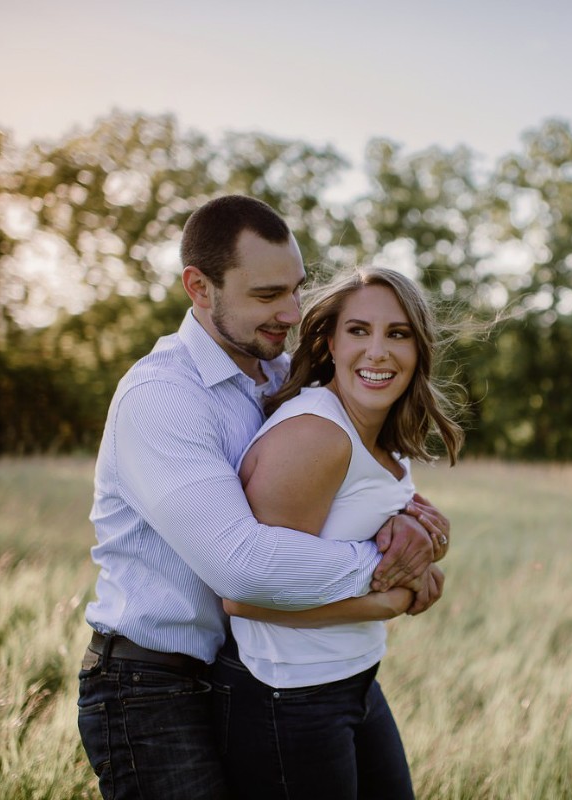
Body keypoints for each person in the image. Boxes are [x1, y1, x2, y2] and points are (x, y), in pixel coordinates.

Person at [78, 196, 450, 799]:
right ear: (199, 288)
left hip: (243, 671)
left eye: (296, 290)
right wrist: (388, 580)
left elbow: (350, 469)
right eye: (266, 295)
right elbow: (243, 568)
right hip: (150, 683)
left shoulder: (276, 372)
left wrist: (414, 523)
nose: (291, 312)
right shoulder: (162, 397)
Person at [214, 266, 463, 799]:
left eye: (398, 334)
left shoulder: (384, 438)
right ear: (328, 343)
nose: (377, 352)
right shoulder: (317, 434)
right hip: (289, 696)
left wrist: (424, 541)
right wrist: (390, 601)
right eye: (359, 331)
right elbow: (242, 597)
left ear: (419, 349)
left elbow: (364, 524)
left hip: (354, 680)